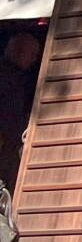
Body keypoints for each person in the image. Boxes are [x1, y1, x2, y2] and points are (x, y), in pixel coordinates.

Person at [0, 31, 43, 193]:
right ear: (19, 51)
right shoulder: (6, 76)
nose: (34, 60)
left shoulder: (17, 77)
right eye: (32, 54)